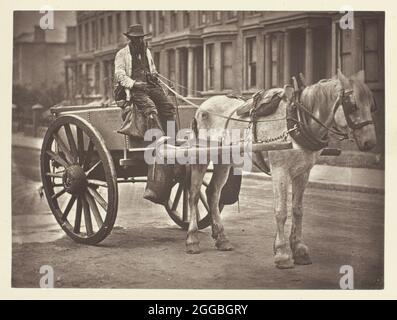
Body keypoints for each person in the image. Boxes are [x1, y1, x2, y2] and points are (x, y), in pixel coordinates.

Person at [114, 24, 176, 205]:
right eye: (135, 38)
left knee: (169, 107)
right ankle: (159, 141)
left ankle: (171, 141)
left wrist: (154, 77)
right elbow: (119, 75)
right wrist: (134, 84)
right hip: (132, 90)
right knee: (150, 109)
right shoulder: (122, 54)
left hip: (149, 86)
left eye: (141, 38)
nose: (139, 41)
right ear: (130, 39)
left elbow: (153, 69)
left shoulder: (147, 52)